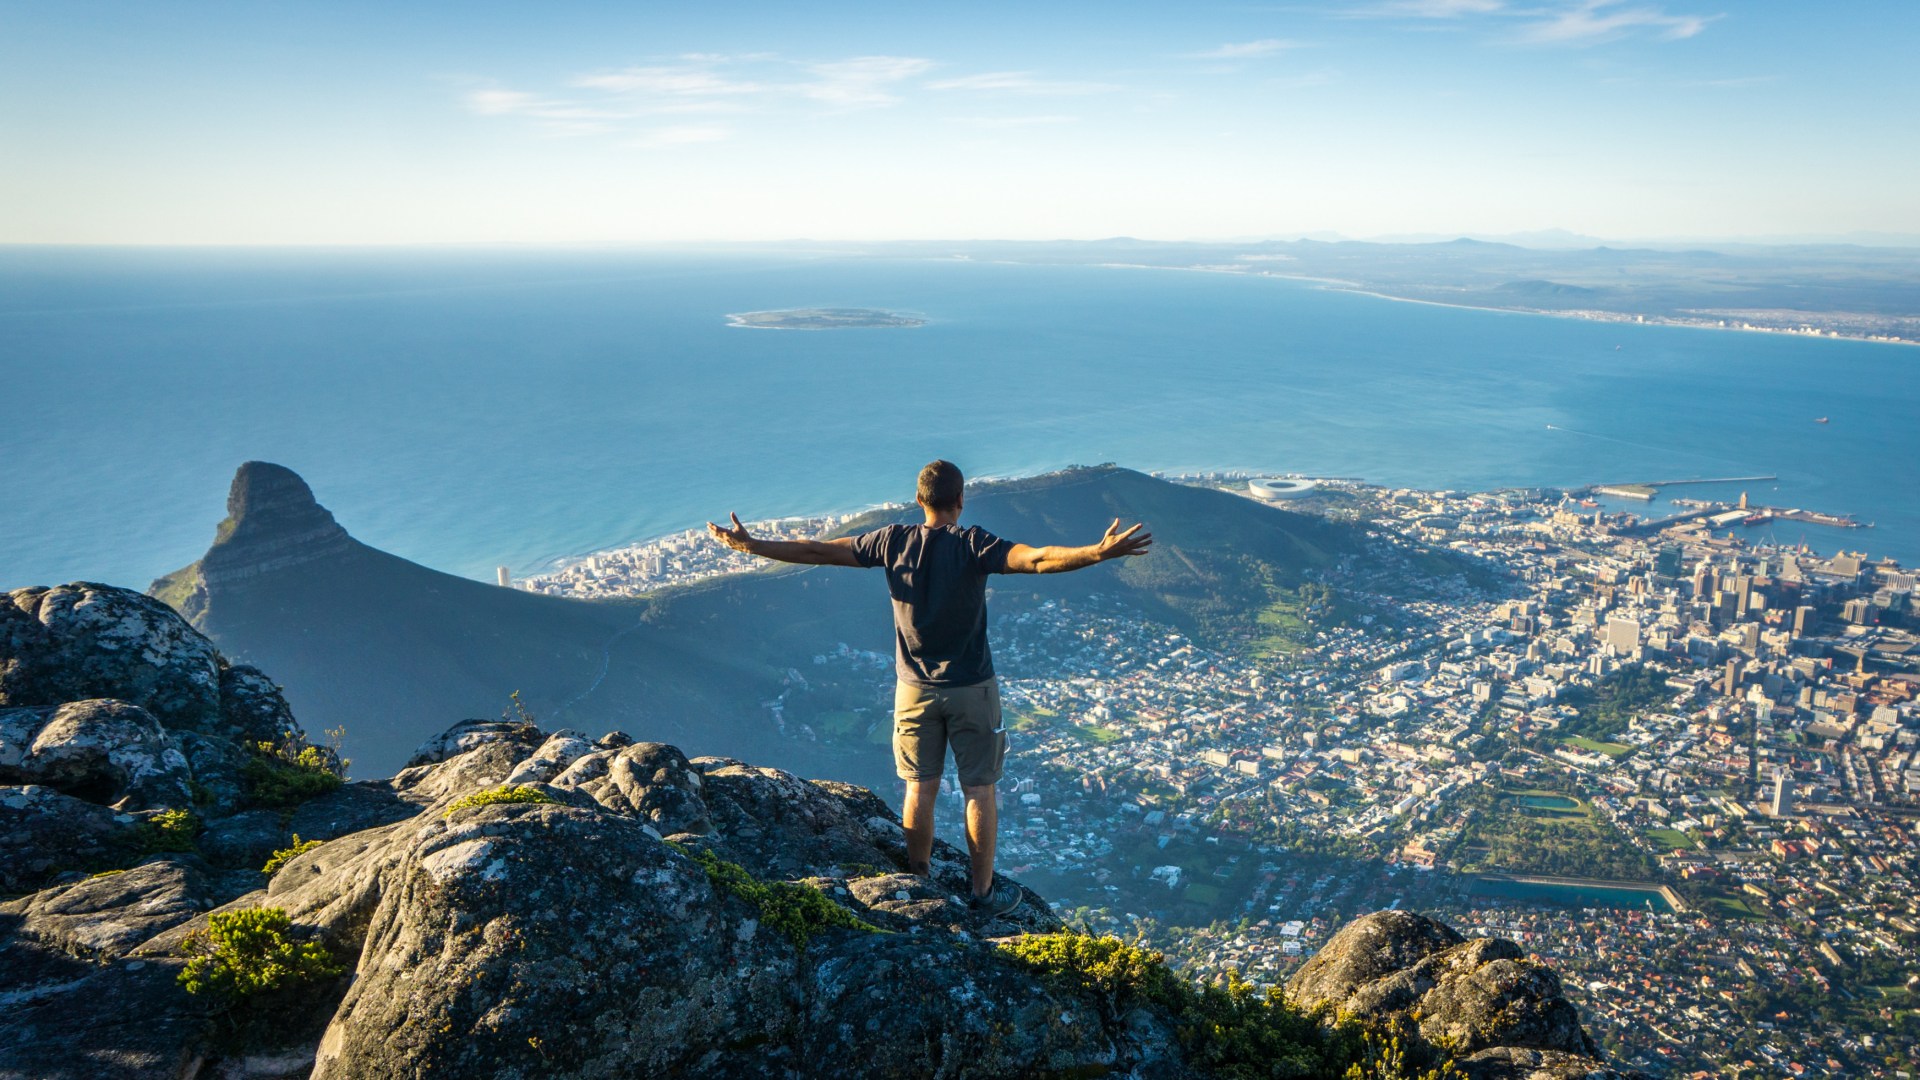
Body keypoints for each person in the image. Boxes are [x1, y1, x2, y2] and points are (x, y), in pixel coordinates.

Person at [707, 459, 1152, 915]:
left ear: (919, 500)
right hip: (972, 688)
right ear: (960, 500)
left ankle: (917, 880)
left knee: (919, 786)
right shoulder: (974, 544)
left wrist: (753, 546)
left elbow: (819, 550)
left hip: (913, 689)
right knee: (980, 789)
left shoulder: (892, 541)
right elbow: (1036, 559)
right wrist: (1096, 553)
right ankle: (982, 895)